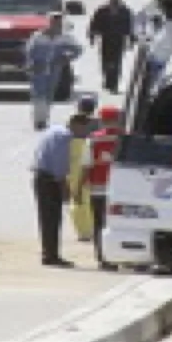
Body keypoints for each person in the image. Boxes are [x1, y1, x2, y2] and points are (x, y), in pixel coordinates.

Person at [31, 113, 93, 267]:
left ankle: (49, 253)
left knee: (46, 219)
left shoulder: (54, 129)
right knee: (52, 219)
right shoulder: (65, 137)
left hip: (41, 176)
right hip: (49, 180)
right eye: (83, 129)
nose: (83, 134)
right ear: (75, 125)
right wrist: (66, 190)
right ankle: (51, 256)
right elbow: (59, 167)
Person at [25, 12, 83, 130]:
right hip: (39, 69)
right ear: (49, 22)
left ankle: (44, 118)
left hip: (54, 69)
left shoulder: (64, 37)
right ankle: (39, 120)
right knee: (38, 94)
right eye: (54, 22)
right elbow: (29, 51)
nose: (56, 24)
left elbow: (78, 49)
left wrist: (67, 57)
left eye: (59, 22)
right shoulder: (38, 36)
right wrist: (30, 64)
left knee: (49, 95)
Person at [81, 105, 123, 269]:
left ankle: (103, 258)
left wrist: (79, 186)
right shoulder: (126, 138)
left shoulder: (93, 139)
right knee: (118, 223)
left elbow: (86, 164)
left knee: (99, 223)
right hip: (121, 191)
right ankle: (119, 256)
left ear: (102, 120)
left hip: (98, 189)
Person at [88, 0, 136, 93]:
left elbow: (130, 26)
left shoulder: (125, 11)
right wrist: (92, 36)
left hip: (119, 40)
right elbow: (94, 24)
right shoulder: (102, 10)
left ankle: (114, 83)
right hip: (106, 39)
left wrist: (131, 39)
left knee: (116, 62)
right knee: (106, 61)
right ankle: (107, 79)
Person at [67, 94, 100, 242]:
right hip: (93, 161)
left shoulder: (72, 122)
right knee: (90, 196)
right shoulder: (98, 123)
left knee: (77, 198)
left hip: (75, 161)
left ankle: (84, 231)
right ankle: (92, 228)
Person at [145, 14, 172, 90]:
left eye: (156, 22)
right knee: (156, 78)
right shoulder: (160, 30)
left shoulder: (166, 30)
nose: (155, 25)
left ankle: (152, 91)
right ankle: (152, 90)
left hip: (158, 59)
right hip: (158, 58)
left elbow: (157, 44)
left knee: (155, 78)